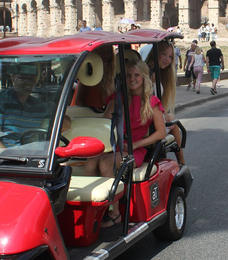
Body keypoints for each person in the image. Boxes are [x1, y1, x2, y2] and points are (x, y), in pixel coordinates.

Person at [86, 59, 166, 228]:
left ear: (144, 77)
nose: (132, 79)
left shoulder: (151, 102)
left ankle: (115, 213)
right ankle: (92, 208)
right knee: (91, 161)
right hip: (114, 144)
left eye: (137, 75)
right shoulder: (119, 98)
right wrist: (115, 107)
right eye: (129, 75)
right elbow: (105, 123)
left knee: (105, 163)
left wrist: (136, 145)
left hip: (134, 149)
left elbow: (161, 132)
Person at [0, 63, 50, 153]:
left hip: (23, 159)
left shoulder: (40, 108)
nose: (27, 83)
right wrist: (14, 162)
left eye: (31, 79)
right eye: (22, 78)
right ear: (13, 78)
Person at [146, 41, 186, 164]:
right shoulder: (150, 73)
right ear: (155, 54)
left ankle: (180, 161)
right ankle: (182, 161)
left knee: (171, 119)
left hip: (153, 115)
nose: (167, 59)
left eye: (170, 57)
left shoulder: (157, 72)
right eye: (164, 54)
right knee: (173, 123)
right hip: (149, 117)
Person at [73, 44, 115, 111]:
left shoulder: (109, 73)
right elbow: (78, 101)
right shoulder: (89, 74)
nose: (105, 54)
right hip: (87, 115)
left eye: (108, 51)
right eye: (101, 51)